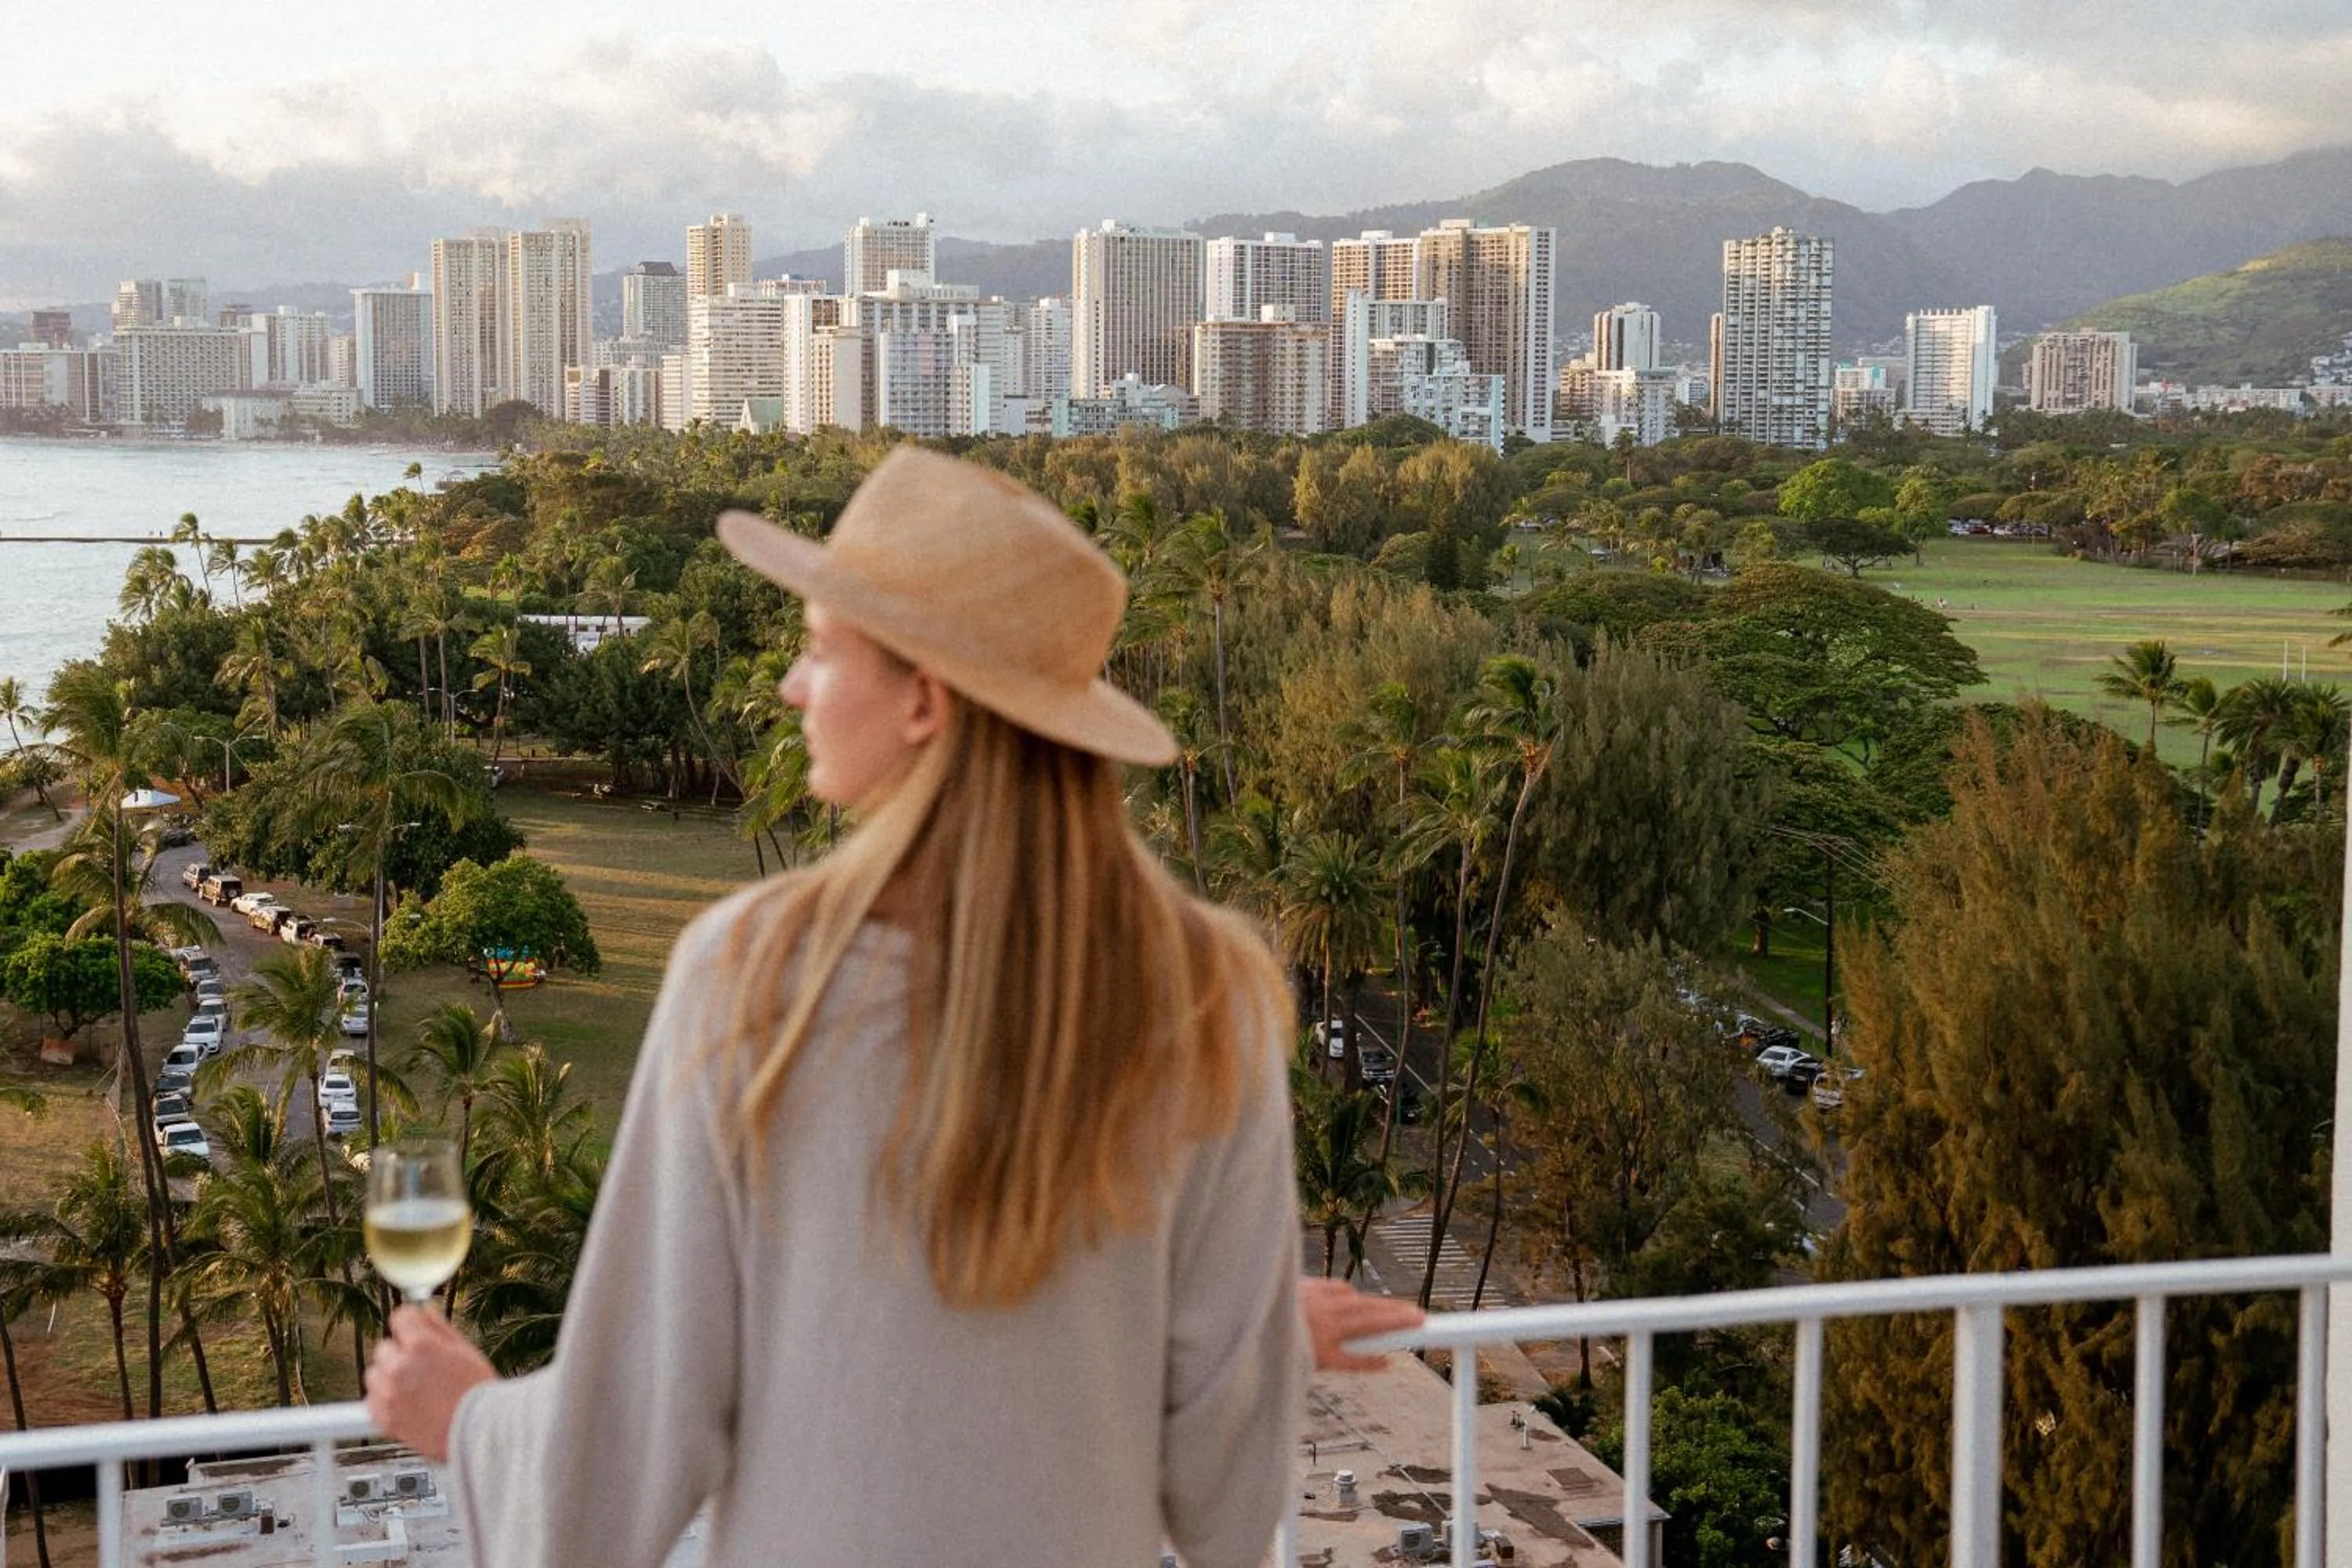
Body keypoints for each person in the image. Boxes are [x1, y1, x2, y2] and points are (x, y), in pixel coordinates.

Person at [366, 448, 1308, 1566]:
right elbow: (1230, 1497)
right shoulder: (1211, 1000)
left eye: (818, 650)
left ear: (923, 701)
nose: (790, 687)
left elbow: (618, 1461)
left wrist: (467, 1421)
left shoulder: (764, 977)